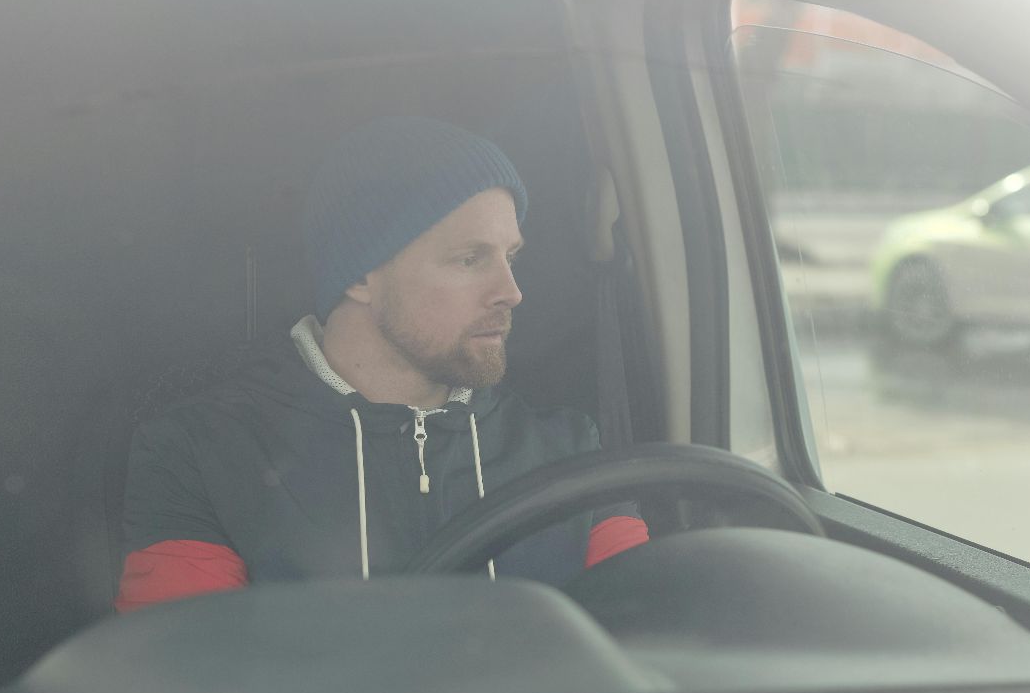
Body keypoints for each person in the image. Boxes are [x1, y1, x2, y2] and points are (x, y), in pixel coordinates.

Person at [114, 118, 648, 612]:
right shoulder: (202, 452)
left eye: (510, 258)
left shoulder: (573, 453)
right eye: (470, 259)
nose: (511, 292)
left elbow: (649, 651)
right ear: (361, 276)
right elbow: (183, 680)